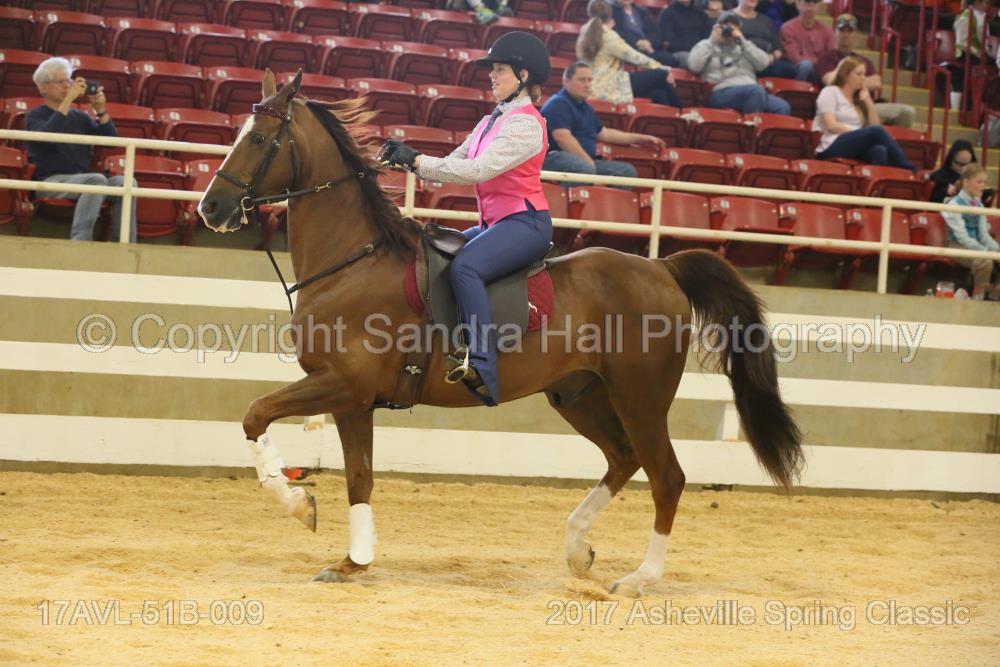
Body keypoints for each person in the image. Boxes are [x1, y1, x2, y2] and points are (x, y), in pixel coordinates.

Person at [376, 32, 553, 407]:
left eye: (499, 69)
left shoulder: (525, 124)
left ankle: (483, 366)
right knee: (434, 252)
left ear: (523, 75)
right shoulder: (491, 121)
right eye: (492, 70)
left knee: (466, 268)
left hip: (526, 224)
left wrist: (417, 161)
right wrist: (408, 160)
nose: (491, 76)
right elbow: (453, 163)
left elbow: (477, 170)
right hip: (495, 225)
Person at [26, 57, 137, 242]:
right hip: (51, 181)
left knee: (127, 183)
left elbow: (110, 142)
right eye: (60, 82)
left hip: (84, 179)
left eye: (68, 81)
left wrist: (100, 110)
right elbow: (47, 138)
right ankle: (80, 242)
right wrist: (69, 100)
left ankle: (124, 243)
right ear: (44, 87)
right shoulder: (35, 116)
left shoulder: (79, 116)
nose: (66, 86)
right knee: (95, 180)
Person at [540, 62, 665, 188]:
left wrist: (642, 138)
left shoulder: (586, 108)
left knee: (626, 172)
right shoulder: (558, 103)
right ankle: (564, 200)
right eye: (582, 80)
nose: (587, 85)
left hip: (585, 161)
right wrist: (589, 164)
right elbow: (562, 138)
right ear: (566, 82)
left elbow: (605, 133)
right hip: (553, 157)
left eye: (590, 80)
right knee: (584, 169)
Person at [812, 56, 916, 170]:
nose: (863, 78)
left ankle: (876, 180)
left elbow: (875, 125)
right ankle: (907, 167)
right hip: (830, 144)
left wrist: (868, 102)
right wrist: (859, 133)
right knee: (876, 131)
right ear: (846, 75)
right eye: (859, 74)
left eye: (864, 74)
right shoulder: (830, 92)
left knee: (880, 151)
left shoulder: (858, 99)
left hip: (852, 144)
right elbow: (831, 125)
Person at [814, 14, 917, 128]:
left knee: (907, 112)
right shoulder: (826, 58)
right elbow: (831, 81)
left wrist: (849, 82)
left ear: (856, 35)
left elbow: (876, 82)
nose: (845, 35)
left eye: (850, 31)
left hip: (866, 106)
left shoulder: (864, 61)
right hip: (840, 107)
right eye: (842, 31)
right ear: (835, 33)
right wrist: (861, 82)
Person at [576, 0, 683, 107]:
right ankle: (682, 111)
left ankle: (676, 114)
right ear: (610, 15)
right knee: (661, 75)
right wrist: (664, 69)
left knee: (659, 93)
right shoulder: (608, 35)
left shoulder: (585, 31)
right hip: (611, 87)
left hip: (600, 85)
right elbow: (635, 58)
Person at [688, 13, 793, 114]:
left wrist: (743, 41)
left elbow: (764, 63)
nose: (729, 32)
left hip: (753, 90)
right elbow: (694, 66)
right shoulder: (706, 45)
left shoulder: (745, 46)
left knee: (782, 107)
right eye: (726, 27)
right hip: (721, 92)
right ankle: (751, 124)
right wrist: (712, 41)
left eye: (733, 29)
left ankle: (756, 124)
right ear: (717, 28)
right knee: (755, 91)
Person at [941, 163, 1000, 300]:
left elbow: (984, 236)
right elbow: (962, 237)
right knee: (984, 261)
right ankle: (977, 298)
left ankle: (994, 296)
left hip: (975, 245)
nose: (983, 186)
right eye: (979, 182)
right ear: (966, 182)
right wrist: (984, 251)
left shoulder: (979, 205)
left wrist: (997, 251)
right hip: (955, 245)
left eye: (984, 182)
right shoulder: (953, 204)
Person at [731, 0, 812, 80]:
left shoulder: (766, 20)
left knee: (805, 67)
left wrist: (772, 56)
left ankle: (795, 89)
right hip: (745, 62)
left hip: (769, 62)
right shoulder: (729, 18)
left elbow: (778, 47)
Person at [779, 0, 833, 83]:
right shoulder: (787, 28)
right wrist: (819, 64)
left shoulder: (827, 30)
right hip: (796, 69)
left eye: (815, 2)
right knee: (806, 66)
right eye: (807, 1)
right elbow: (794, 57)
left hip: (821, 71)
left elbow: (831, 56)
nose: (811, 5)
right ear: (798, 4)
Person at [611, 0, 676, 66]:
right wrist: (637, 42)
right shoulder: (611, 12)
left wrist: (648, 42)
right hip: (628, 50)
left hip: (648, 48)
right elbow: (614, 32)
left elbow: (655, 33)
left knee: (670, 59)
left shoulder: (642, 11)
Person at [950, 0, 988, 111]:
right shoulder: (965, 18)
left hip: (976, 54)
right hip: (965, 55)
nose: (986, 6)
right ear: (976, 3)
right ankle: (957, 109)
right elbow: (961, 42)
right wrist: (977, 53)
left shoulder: (981, 18)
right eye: (985, 3)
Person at [658, 0, 715, 69]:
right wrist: (694, 49)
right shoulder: (668, 13)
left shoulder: (701, 14)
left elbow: (707, 38)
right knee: (692, 60)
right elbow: (668, 42)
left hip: (700, 52)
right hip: (679, 52)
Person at [444, 0, 512, 25]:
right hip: (459, 4)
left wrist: (502, 4)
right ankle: (483, 11)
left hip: (487, 6)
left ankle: (497, 10)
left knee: (507, 12)